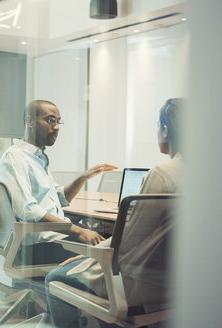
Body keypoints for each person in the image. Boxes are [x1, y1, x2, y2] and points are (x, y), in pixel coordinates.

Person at [44, 98, 185, 327]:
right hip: (177, 279)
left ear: (166, 130)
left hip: (139, 281)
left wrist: (90, 254)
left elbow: (128, 243)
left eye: (158, 126)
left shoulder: (162, 174)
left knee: (53, 279)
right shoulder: (207, 173)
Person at [0, 100, 117, 265]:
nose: (57, 127)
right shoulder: (15, 158)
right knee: (115, 247)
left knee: (112, 236)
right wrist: (78, 231)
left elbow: (59, 198)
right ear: (30, 121)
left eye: (58, 121)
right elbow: (28, 210)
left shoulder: (37, 158)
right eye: (51, 120)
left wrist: (83, 178)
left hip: (53, 238)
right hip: (40, 247)